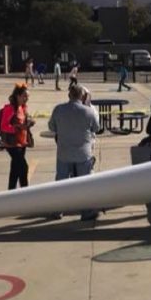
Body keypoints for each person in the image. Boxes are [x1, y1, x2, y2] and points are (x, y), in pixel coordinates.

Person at [49, 85, 102, 220]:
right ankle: (86, 211)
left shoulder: (58, 109)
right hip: (83, 153)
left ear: (69, 95)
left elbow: (51, 126)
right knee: (85, 184)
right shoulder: (88, 112)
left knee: (61, 182)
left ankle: (57, 210)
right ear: (83, 97)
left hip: (64, 152)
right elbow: (96, 127)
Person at [1, 84, 35, 190]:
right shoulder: (10, 109)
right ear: (18, 96)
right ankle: (25, 191)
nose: (27, 99)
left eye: (28, 97)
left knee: (15, 169)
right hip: (13, 144)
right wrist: (17, 128)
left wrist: (29, 122)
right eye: (24, 96)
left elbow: (24, 119)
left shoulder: (23, 107)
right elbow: (4, 126)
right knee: (23, 167)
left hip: (22, 142)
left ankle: (11, 191)